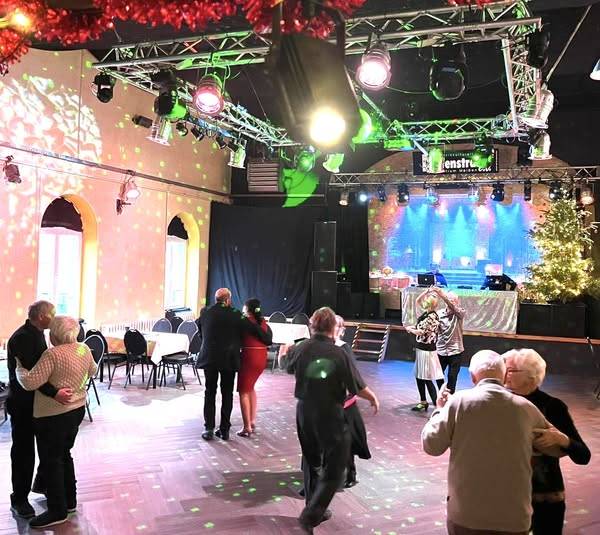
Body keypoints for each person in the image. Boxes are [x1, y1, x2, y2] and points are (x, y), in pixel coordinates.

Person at [421, 350, 563, 535]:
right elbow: (556, 447)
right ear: (503, 377)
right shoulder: (527, 408)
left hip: (467, 516)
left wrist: (440, 409)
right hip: (514, 519)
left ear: (473, 377)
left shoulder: (458, 402)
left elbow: (431, 445)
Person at [284, 307, 379, 534]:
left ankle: (313, 508)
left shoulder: (301, 347)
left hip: (304, 411)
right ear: (332, 328)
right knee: (335, 466)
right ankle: (311, 514)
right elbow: (356, 386)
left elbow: (287, 367)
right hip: (329, 414)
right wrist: (373, 398)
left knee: (311, 460)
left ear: (312, 325)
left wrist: (283, 353)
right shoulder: (338, 354)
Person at [16, 316, 97, 529]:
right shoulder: (83, 349)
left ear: (55, 334)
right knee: (64, 455)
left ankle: (57, 510)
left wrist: (19, 369)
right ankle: (69, 502)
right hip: (77, 410)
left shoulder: (52, 354)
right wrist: (77, 382)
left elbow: (30, 382)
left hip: (53, 415)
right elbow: (93, 371)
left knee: (51, 461)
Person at [503, 348, 591, 535]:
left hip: (544, 496)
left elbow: (583, 456)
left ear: (530, 375)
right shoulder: (500, 403)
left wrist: (562, 440)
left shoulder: (552, 406)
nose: (504, 374)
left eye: (510, 370)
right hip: (507, 495)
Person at [6, 301, 72, 519]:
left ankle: (42, 484)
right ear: (42, 316)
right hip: (23, 404)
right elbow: (34, 376)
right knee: (23, 452)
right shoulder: (22, 338)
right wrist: (55, 393)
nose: (55, 317)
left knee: (48, 447)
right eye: (53, 314)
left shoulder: (38, 333)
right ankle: (19, 499)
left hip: (39, 404)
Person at [196, 288, 260, 441]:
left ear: (216, 299)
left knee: (209, 392)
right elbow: (251, 330)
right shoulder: (236, 314)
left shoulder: (205, 312)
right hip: (229, 359)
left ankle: (209, 428)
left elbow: (200, 332)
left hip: (210, 357)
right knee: (227, 394)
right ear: (228, 300)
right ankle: (224, 430)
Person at [334, 315, 371, 488]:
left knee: (346, 440)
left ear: (341, 330)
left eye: (336, 326)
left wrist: (370, 397)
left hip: (344, 403)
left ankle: (350, 472)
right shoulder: (318, 345)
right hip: (325, 404)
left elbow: (353, 376)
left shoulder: (343, 348)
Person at [236, 298, 273, 437]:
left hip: (249, 356)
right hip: (261, 357)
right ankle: (251, 421)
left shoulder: (244, 321)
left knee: (243, 391)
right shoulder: (263, 322)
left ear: (247, 309)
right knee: (250, 388)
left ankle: (247, 427)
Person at [406, 288, 443, 411]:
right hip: (422, 349)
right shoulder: (427, 313)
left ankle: (437, 404)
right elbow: (417, 300)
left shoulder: (432, 316)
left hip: (427, 350)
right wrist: (427, 291)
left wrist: (410, 329)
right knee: (419, 376)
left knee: (426, 378)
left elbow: (422, 332)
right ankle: (423, 401)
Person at [430, 286, 465, 393]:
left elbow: (452, 307)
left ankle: (450, 397)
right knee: (438, 375)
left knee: (452, 376)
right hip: (441, 350)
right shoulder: (439, 314)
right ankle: (443, 393)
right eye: (450, 300)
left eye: (454, 300)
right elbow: (434, 329)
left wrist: (441, 294)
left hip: (455, 351)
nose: (452, 302)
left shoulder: (460, 312)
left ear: (458, 302)